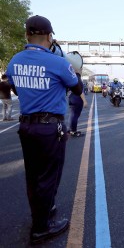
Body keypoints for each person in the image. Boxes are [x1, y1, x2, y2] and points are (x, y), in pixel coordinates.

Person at [5, 15, 83, 244]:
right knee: (49, 176)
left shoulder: (14, 61)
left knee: (33, 175)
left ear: (27, 35)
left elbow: (17, 90)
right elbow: (77, 88)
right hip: (50, 128)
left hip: (26, 126)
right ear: (49, 37)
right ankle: (42, 227)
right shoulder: (58, 63)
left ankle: (42, 212)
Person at [65, 51, 87, 137]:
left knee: (72, 115)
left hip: (72, 98)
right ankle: (73, 131)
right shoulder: (77, 78)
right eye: (81, 69)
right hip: (77, 99)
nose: (81, 70)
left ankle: (70, 129)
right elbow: (80, 91)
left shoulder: (73, 77)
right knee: (75, 116)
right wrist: (84, 101)